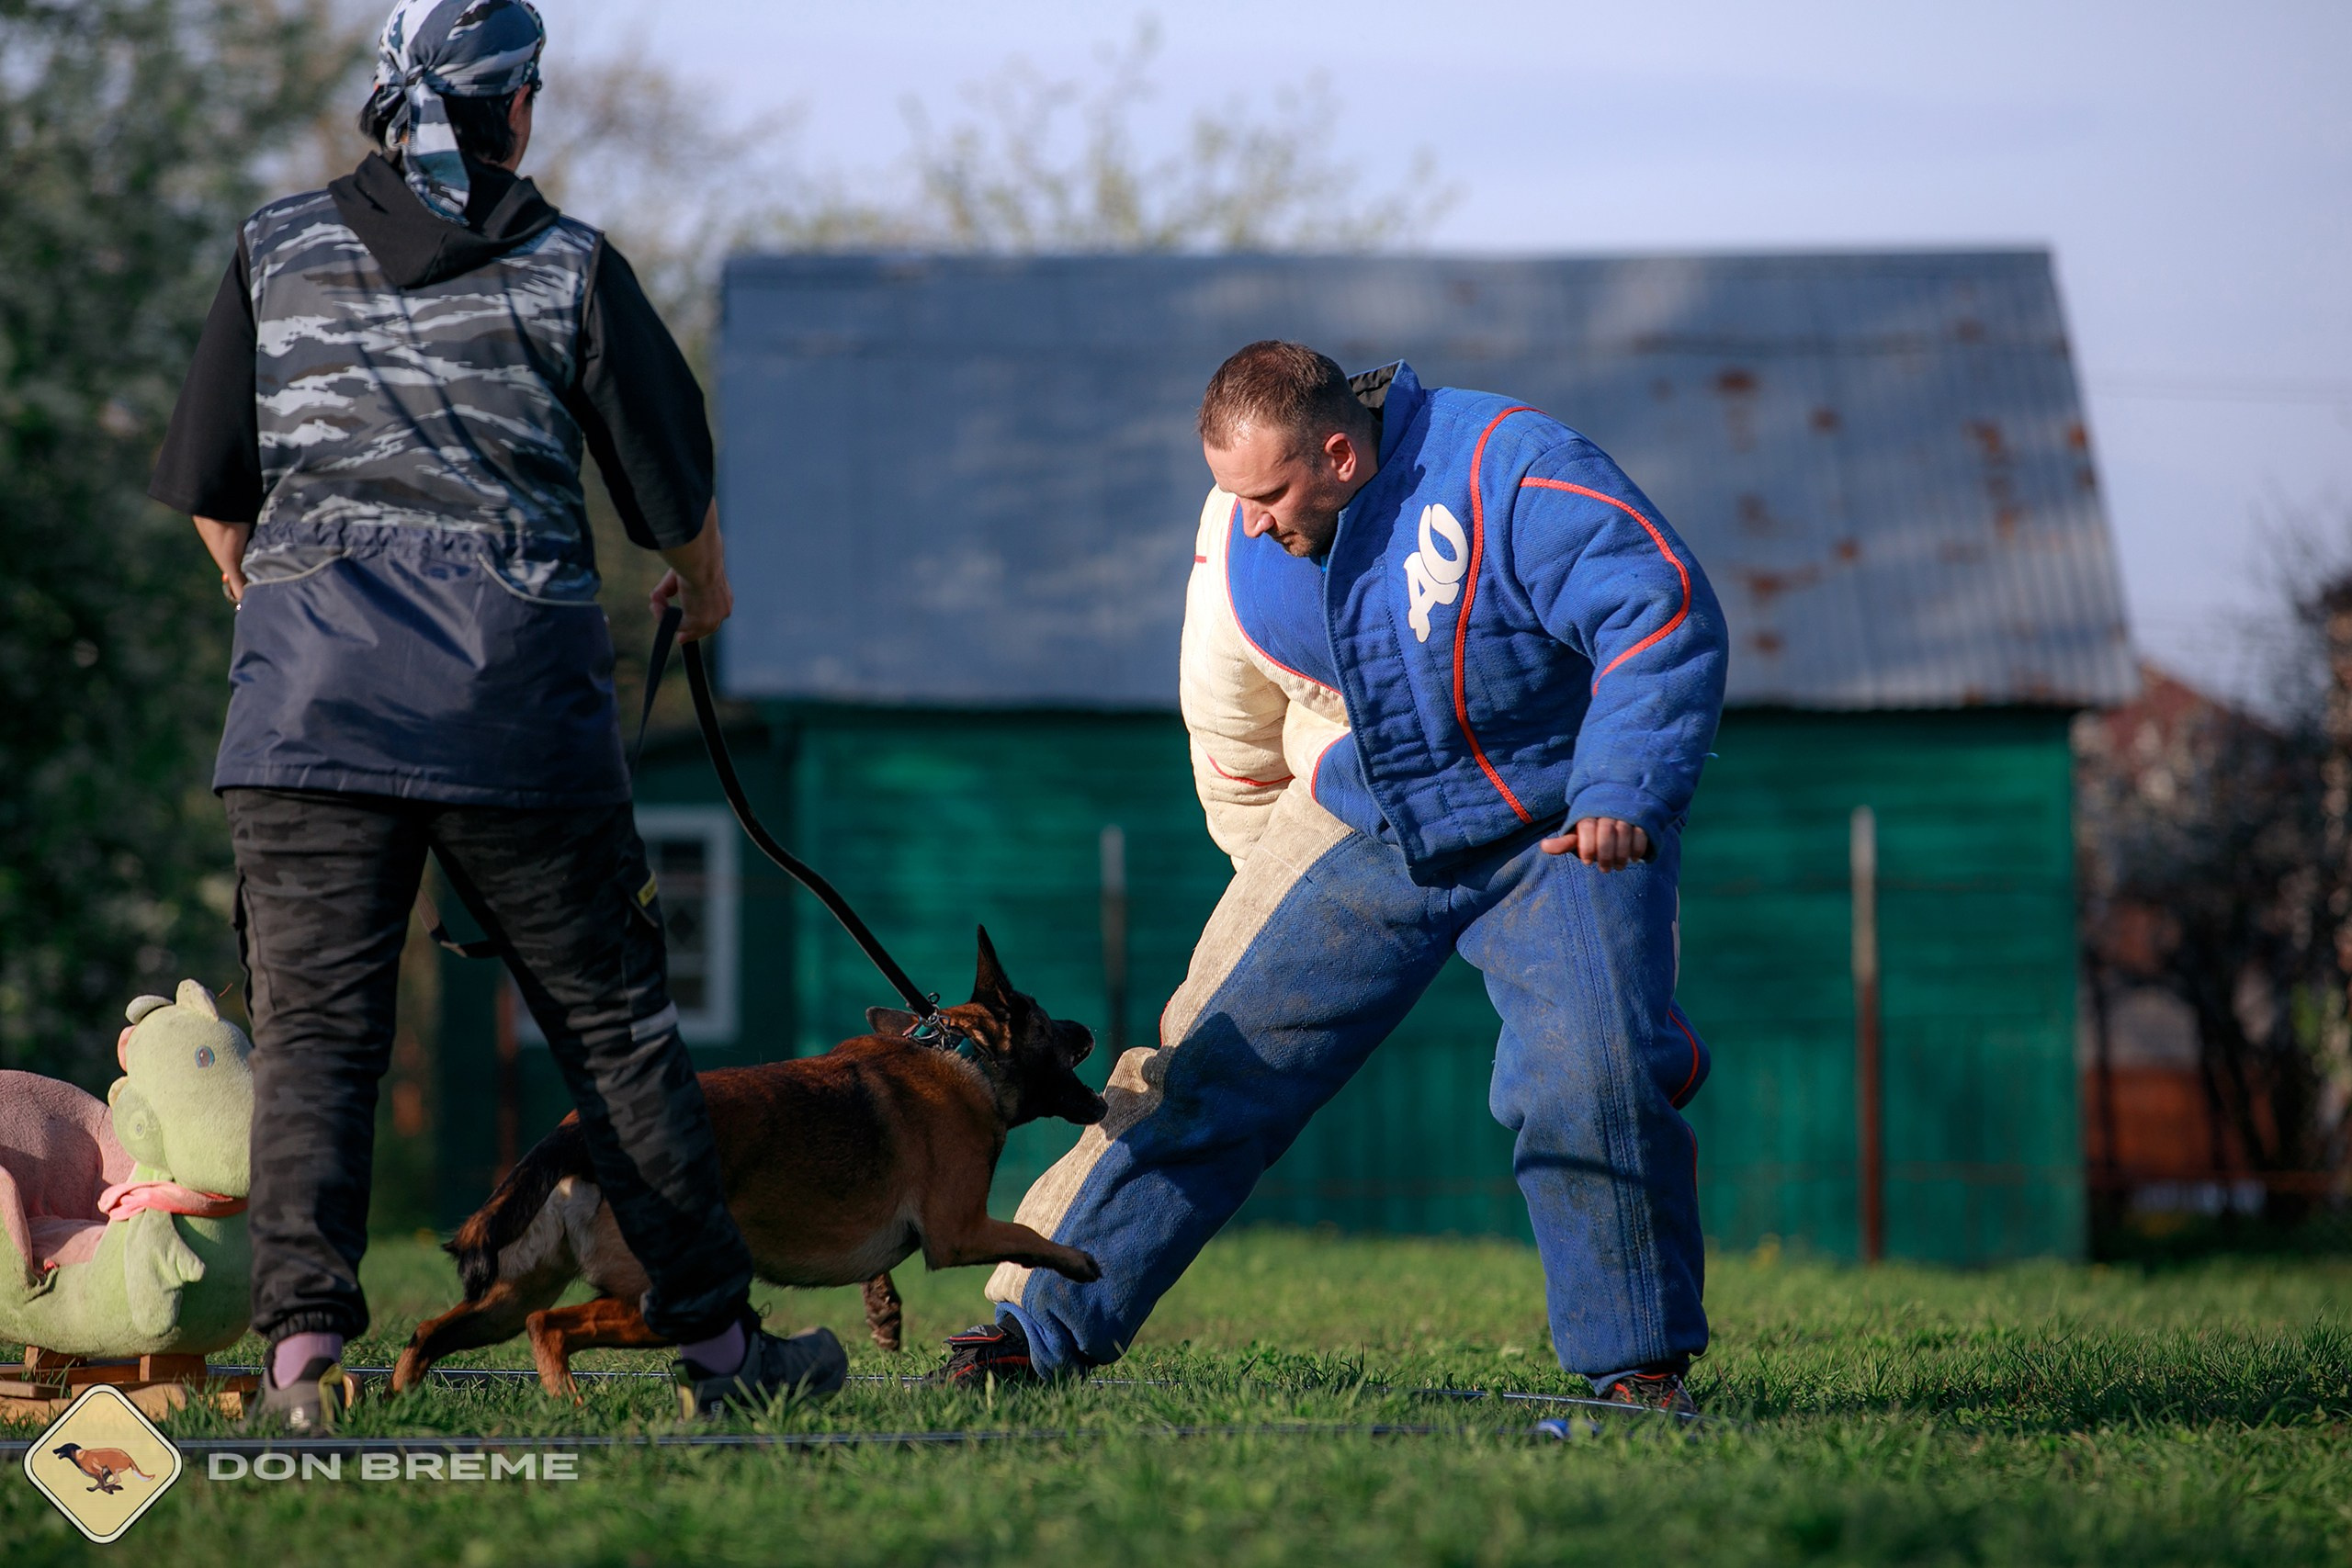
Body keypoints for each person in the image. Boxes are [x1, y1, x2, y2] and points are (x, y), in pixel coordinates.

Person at [146, 0, 843, 1428]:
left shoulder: (274, 250)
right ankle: (717, 1356)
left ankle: (298, 1367)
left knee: (320, 1040)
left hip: (308, 716)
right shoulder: (571, 269)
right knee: (619, 1035)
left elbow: (218, 495)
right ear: (516, 106)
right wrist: (702, 595)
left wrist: (278, 607)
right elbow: (674, 502)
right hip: (513, 711)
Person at [943, 343, 1728, 1411]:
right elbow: (1224, 722)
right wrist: (1258, 880)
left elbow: (1659, 606)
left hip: (1555, 821)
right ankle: (1031, 1324)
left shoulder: (1511, 467)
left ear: (1338, 454)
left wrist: (1621, 787)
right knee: (1200, 1067)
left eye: (1266, 494)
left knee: (1588, 1078)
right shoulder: (1238, 530)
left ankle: (1634, 1372)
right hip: (1363, 811)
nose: (1247, 520)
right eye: (1229, 495)